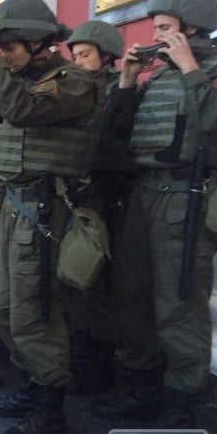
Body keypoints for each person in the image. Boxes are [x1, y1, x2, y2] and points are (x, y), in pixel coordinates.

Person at [92, 0, 217, 428]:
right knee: (131, 297)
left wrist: (191, 67)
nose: (156, 37)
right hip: (142, 195)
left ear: (192, 29)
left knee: (179, 302)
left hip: (185, 199)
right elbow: (113, 136)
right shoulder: (159, 74)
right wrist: (128, 82)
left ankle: (184, 398)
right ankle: (140, 386)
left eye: (166, 28)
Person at [0, 0, 105, 434]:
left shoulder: (72, 81)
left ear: (38, 42)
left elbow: (21, 112)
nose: (3, 53)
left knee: (36, 312)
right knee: (7, 310)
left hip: (46, 211)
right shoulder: (19, 80)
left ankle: (51, 411)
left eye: (9, 45)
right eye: (0, 46)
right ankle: (34, 383)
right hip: (14, 205)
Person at [64, 20, 127, 396]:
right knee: (74, 280)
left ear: (107, 56)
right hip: (77, 194)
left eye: (85, 55)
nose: (78, 62)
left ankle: (99, 362)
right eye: (74, 56)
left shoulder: (121, 91)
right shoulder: (74, 91)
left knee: (97, 282)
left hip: (107, 196)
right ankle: (82, 350)